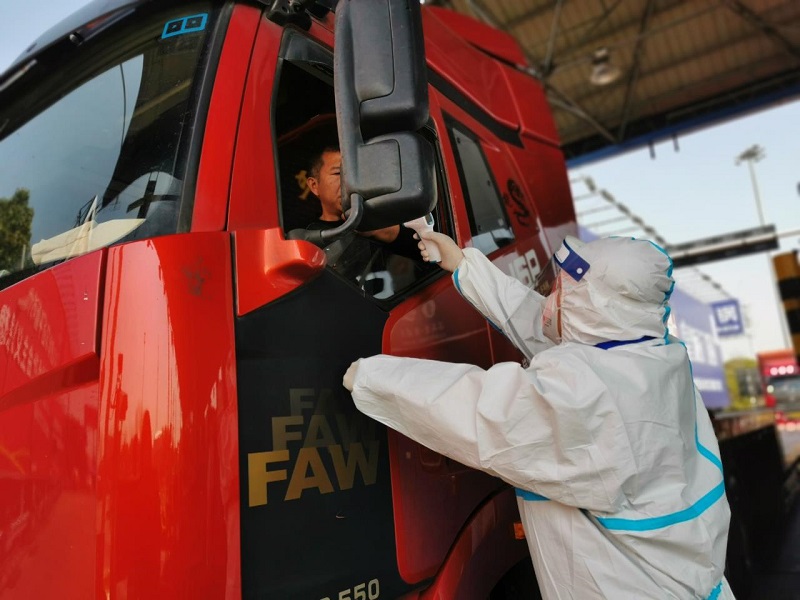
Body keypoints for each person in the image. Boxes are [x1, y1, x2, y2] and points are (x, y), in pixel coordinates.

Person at [343, 232, 735, 600]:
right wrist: (466, 265)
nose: (548, 299)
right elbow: (553, 327)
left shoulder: (591, 396)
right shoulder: (653, 355)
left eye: (560, 291)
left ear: (597, 307)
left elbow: (483, 411)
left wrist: (371, 376)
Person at [303, 145, 418, 282]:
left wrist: (385, 231)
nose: (349, 182)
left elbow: (428, 256)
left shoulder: (388, 216)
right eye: (338, 173)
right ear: (314, 185)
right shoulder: (309, 240)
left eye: (355, 173)